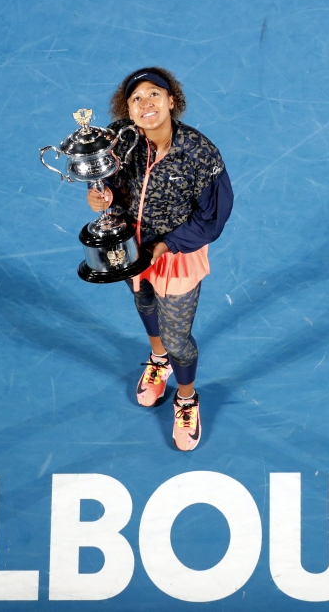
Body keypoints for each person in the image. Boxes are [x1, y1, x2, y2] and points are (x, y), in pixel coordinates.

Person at [86, 67, 233, 451]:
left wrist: (165, 246)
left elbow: (211, 219)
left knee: (178, 337)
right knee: (143, 299)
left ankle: (186, 398)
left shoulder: (199, 152)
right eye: (137, 98)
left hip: (176, 252)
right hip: (134, 246)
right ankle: (157, 360)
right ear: (128, 110)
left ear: (172, 101)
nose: (146, 103)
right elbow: (107, 181)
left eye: (154, 94)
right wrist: (100, 199)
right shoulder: (120, 139)